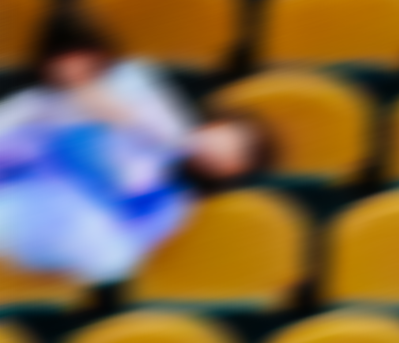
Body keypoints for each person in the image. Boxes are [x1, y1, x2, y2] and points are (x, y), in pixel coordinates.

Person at [0, 15, 268, 284]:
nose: (74, 67)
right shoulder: (36, 103)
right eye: (63, 58)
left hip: (93, 226)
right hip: (34, 197)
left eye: (82, 56)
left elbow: (164, 142)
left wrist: (118, 115)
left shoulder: (133, 83)